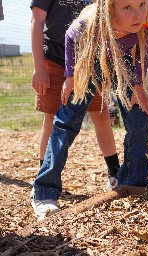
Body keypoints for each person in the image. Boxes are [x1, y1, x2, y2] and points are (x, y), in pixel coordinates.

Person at [31, 0, 148, 218]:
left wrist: (137, 86)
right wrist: (70, 76)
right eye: (127, 7)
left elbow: (143, 50)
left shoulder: (143, 24)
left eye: (142, 4)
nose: (138, 14)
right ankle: (44, 190)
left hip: (122, 59)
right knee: (66, 121)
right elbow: (70, 36)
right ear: (110, 9)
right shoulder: (91, 21)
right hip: (87, 57)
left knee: (139, 113)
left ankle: (134, 183)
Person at [30, 0, 120, 191]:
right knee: (52, 118)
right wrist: (39, 68)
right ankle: (44, 177)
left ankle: (115, 173)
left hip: (89, 62)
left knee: (101, 115)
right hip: (55, 57)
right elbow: (37, 22)